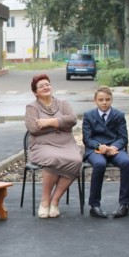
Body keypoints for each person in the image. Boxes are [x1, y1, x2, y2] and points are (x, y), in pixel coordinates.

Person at [25, 74, 82, 218]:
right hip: (42, 145)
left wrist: (48, 122)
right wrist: (61, 125)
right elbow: (33, 128)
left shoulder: (63, 103)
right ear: (35, 92)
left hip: (66, 144)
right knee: (52, 158)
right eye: (41, 86)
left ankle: (55, 200)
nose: (45, 87)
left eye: (47, 84)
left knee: (76, 160)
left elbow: (72, 119)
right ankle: (45, 201)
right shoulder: (32, 107)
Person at [82, 87, 129, 219]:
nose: (104, 102)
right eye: (101, 100)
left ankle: (125, 204)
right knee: (99, 164)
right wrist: (99, 146)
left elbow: (123, 138)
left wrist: (114, 147)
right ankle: (94, 205)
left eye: (107, 99)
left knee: (127, 162)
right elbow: (87, 138)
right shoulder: (88, 115)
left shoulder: (118, 115)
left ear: (111, 100)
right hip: (95, 150)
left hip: (114, 149)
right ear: (95, 101)